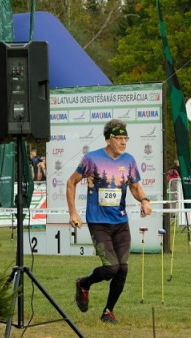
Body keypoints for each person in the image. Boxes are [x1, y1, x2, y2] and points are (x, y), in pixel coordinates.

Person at [68, 119, 152, 325]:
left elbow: (134, 187)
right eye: (120, 138)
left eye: (126, 138)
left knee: (123, 268)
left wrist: (144, 200)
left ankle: (108, 311)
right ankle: (83, 283)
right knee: (111, 268)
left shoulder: (129, 160)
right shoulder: (92, 159)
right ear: (109, 139)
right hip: (98, 222)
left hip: (120, 222)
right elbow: (71, 182)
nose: (124, 142)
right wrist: (73, 213)